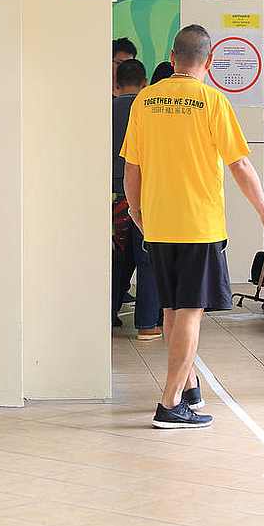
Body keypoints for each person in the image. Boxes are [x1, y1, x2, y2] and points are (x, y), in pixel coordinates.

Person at [122, 25, 264, 429]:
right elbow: (241, 165)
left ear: (173, 58)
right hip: (198, 225)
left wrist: (137, 212)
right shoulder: (212, 101)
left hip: (158, 224)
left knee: (173, 309)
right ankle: (170, 403)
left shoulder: (145, 100)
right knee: (191, 311)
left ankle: (189, 386)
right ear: (208, 63)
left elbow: (132, 166)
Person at [111, 59, 162, 340]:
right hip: (144, 195)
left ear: (116, 83)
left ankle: (108, 314)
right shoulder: (148, 110)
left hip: (113, 197)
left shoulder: (106, 109)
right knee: (147, 259)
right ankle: (147, 324)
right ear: (145, 84)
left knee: (116, 259)